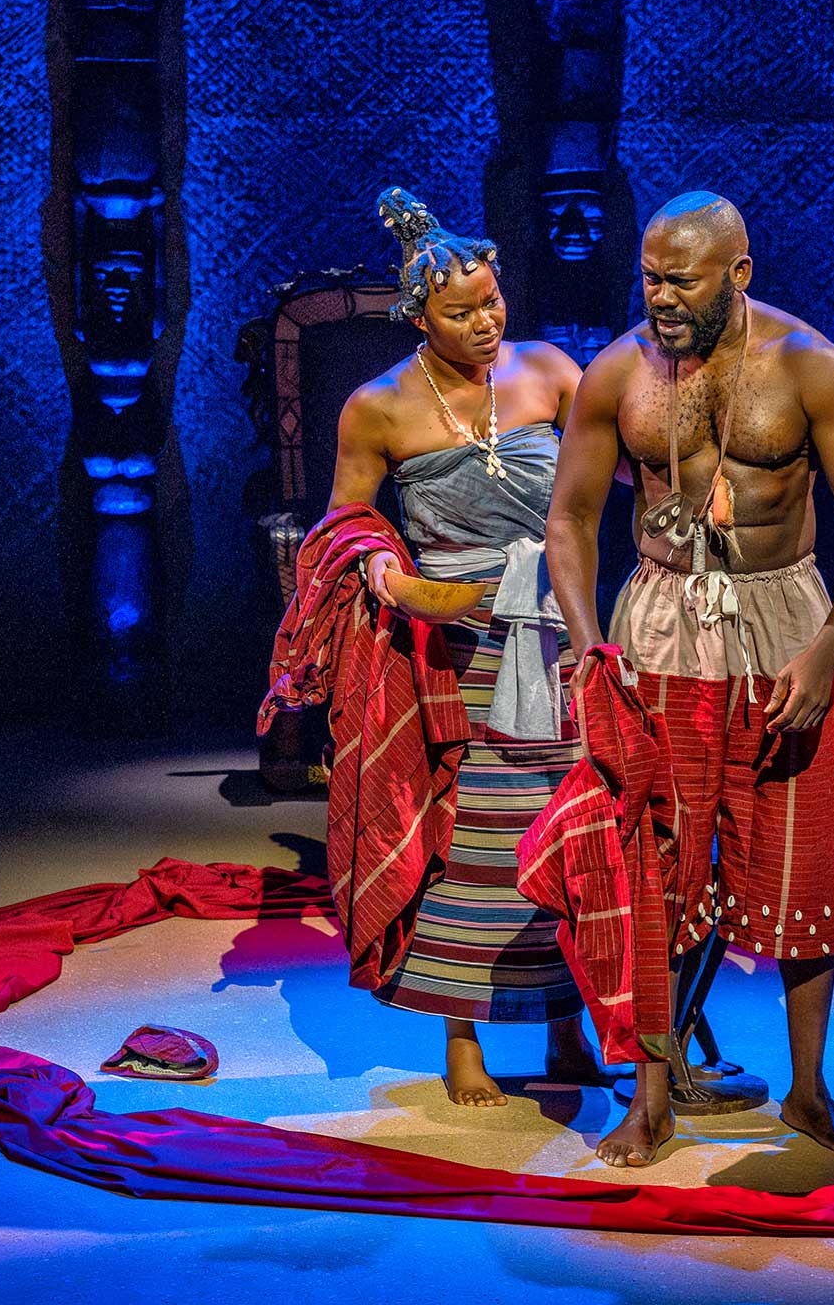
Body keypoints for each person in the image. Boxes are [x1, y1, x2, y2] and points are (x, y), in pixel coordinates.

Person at [544, 191, 834, 1165]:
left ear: (739, 274)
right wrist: (589, 645)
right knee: (654, 868)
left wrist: (826, 652)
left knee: (803, 864)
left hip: (784, 630)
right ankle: (652, 1099)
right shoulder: (618, 372)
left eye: (682, 280)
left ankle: (809, 1091)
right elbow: (570, 519)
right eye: (649, 278)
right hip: (659, 630)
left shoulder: (809, 367)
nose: (660, 297)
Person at [322, 187, 601, 1105]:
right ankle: (463, 1038)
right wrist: (390, 577)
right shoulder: (377, 407)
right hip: (456, 645)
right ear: (418, 318)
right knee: (473, 837)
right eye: (461, 312)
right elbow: (344, 527)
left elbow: (624, 468)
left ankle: (569, 1023)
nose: (487, 323)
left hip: (557, 631)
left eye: (492, 301)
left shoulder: (550, 371)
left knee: (570, 827)